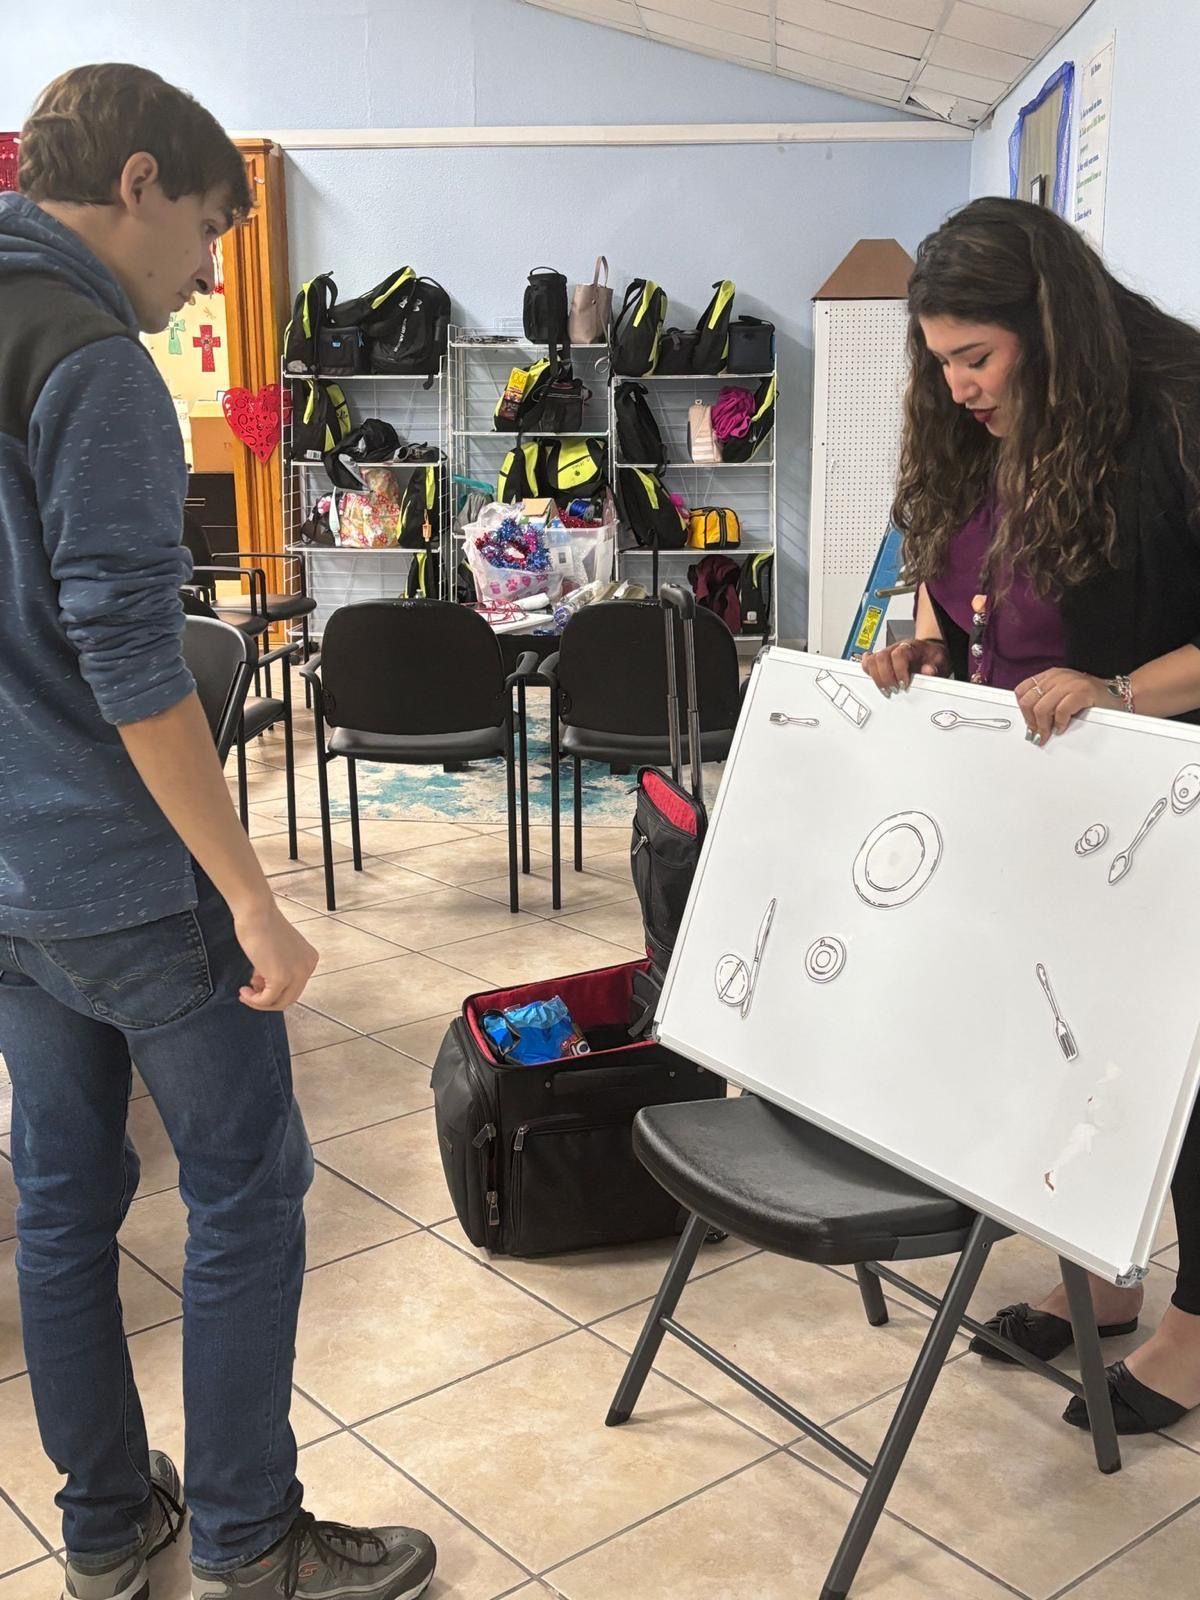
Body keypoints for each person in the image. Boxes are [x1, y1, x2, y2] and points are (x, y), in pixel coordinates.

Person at [0, 65, 436, 1600]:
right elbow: (130, 663)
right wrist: (250, 895)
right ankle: (252, 1535)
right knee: (244, 1182)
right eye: (204, 232)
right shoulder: (94, 361)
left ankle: (110, 1526)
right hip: (121, 869)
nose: (204, 279)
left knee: (61, 1193)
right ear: (138, 182)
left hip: (3, 875)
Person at [863, 194, 1200, 1437]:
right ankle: (1102, 1275)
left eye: (976, 355)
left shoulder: (1172, 413)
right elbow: (974, 600)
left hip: (1165, 803)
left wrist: (1119, 693)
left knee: (1184, 1071)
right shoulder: (978, 435)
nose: (955, 384)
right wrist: (927, 653)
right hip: (1045, 811)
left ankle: (1194, 1328)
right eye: (939, 358)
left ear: (1048, 329)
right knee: (1078, 1044)